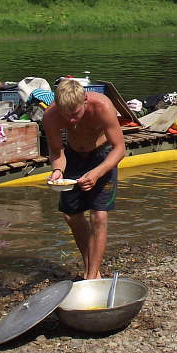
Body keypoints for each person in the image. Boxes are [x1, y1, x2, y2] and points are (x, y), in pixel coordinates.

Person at [42, 78, 125, 280]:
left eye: (76, 114)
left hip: (102, 156)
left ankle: (90, 278)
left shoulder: (103, 106)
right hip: (73, 158)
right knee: (72, 216)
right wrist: (57, 171)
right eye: (66, 115)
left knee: (99, 217)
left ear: (85, 100)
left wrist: (97, 173)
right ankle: (93, 271)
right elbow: (56, 152)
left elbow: (120, 149)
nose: (71, 120)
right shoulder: (51, 116)